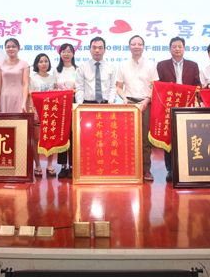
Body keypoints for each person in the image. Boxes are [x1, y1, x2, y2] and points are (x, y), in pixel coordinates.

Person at [156, 36, 202, 182]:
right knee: (169, 138)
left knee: (187, 137)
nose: (177, 49)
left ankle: (186, 168)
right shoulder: (161, 65)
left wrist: (199, 101)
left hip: (187, 107)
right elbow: (159, 86)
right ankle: (170, 170)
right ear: (170, 49)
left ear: (184, 49)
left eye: (179, 46)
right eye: (174, 46)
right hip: (169, 107)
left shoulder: (193, 65)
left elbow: (197, 85)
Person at [116, 35, 158, 181]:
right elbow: (119, 87)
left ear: (143, 47)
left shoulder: (151, 64)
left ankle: (146, 168)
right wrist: (124, 98)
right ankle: (129, 166)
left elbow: (155, 87)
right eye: (133, 44)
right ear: (129, 47)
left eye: (139, 44)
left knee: (145, 138)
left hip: (146, 103)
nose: (136, 46)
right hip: (129, 104)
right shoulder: (123, 65)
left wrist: (147, 100)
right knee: (127, 137)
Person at [53, 43, 77, 179]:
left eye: (69, 51)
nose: (66, 54)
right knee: (62, 136)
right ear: (60, 54)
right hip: (61, 105)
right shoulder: (56, 70)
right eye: (63, 51)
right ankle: (63, 166)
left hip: (74, 104)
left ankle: (73, 166)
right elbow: (55, 88)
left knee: (73, 135)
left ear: (73, 54)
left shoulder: (78, 69)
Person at [29, 53, 55, 178]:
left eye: (46, 61)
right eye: (41, 61)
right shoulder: (32, 78)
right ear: (36, 64)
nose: (44, 64)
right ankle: (38, 165)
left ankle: (49, 165)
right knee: (36, 139)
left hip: (51, 112)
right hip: (37, 111)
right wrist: (32, 112)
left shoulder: (53, 78)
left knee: (51, 139)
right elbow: (30, 97)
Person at [75, 36, 117, 105]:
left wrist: (111, 100)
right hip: (87, 104)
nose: (97, 50)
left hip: (106, 104)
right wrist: (79, 102)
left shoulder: (111, 67)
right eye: (94, 48)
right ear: (90, 49)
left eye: (100, 48)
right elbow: (80, 87)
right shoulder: (83, 67)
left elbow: (113, 86)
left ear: (104, 50)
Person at [0, 38, 30, 113]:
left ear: (18, 48)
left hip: (19, 97)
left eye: (13, 46)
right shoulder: (0, 64)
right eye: (8, 47)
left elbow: (25, 84)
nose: (11, 49)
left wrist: (24, 102)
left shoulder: (24, 64)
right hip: (4, 97)